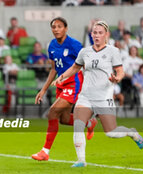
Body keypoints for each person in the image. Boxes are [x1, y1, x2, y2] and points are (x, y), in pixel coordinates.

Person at [53, 20, 143, 167]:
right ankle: (81, 160)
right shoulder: (85, 52)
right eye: (94, 32)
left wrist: (117, 78)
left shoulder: (113, 51)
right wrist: (62, 77)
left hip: (103, 97)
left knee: (111, 132)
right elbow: (75, 68)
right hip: (85, 96)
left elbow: (120, 71)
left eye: (100, 33)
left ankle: (132, 133)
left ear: (106, 35)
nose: (96, 35)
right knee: (78, 125)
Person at [32, 17, 97, 162]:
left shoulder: (74, 45)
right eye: (53, 27)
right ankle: (89, 123)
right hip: (60, 85)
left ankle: (45, 152)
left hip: (74, 84)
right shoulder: (52, 46)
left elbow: (87, 64)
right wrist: (43, 90)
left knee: (52, 112)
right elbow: (54, 69)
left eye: (59, 26)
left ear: (66, 28)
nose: (56, 29)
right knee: (64, 119)